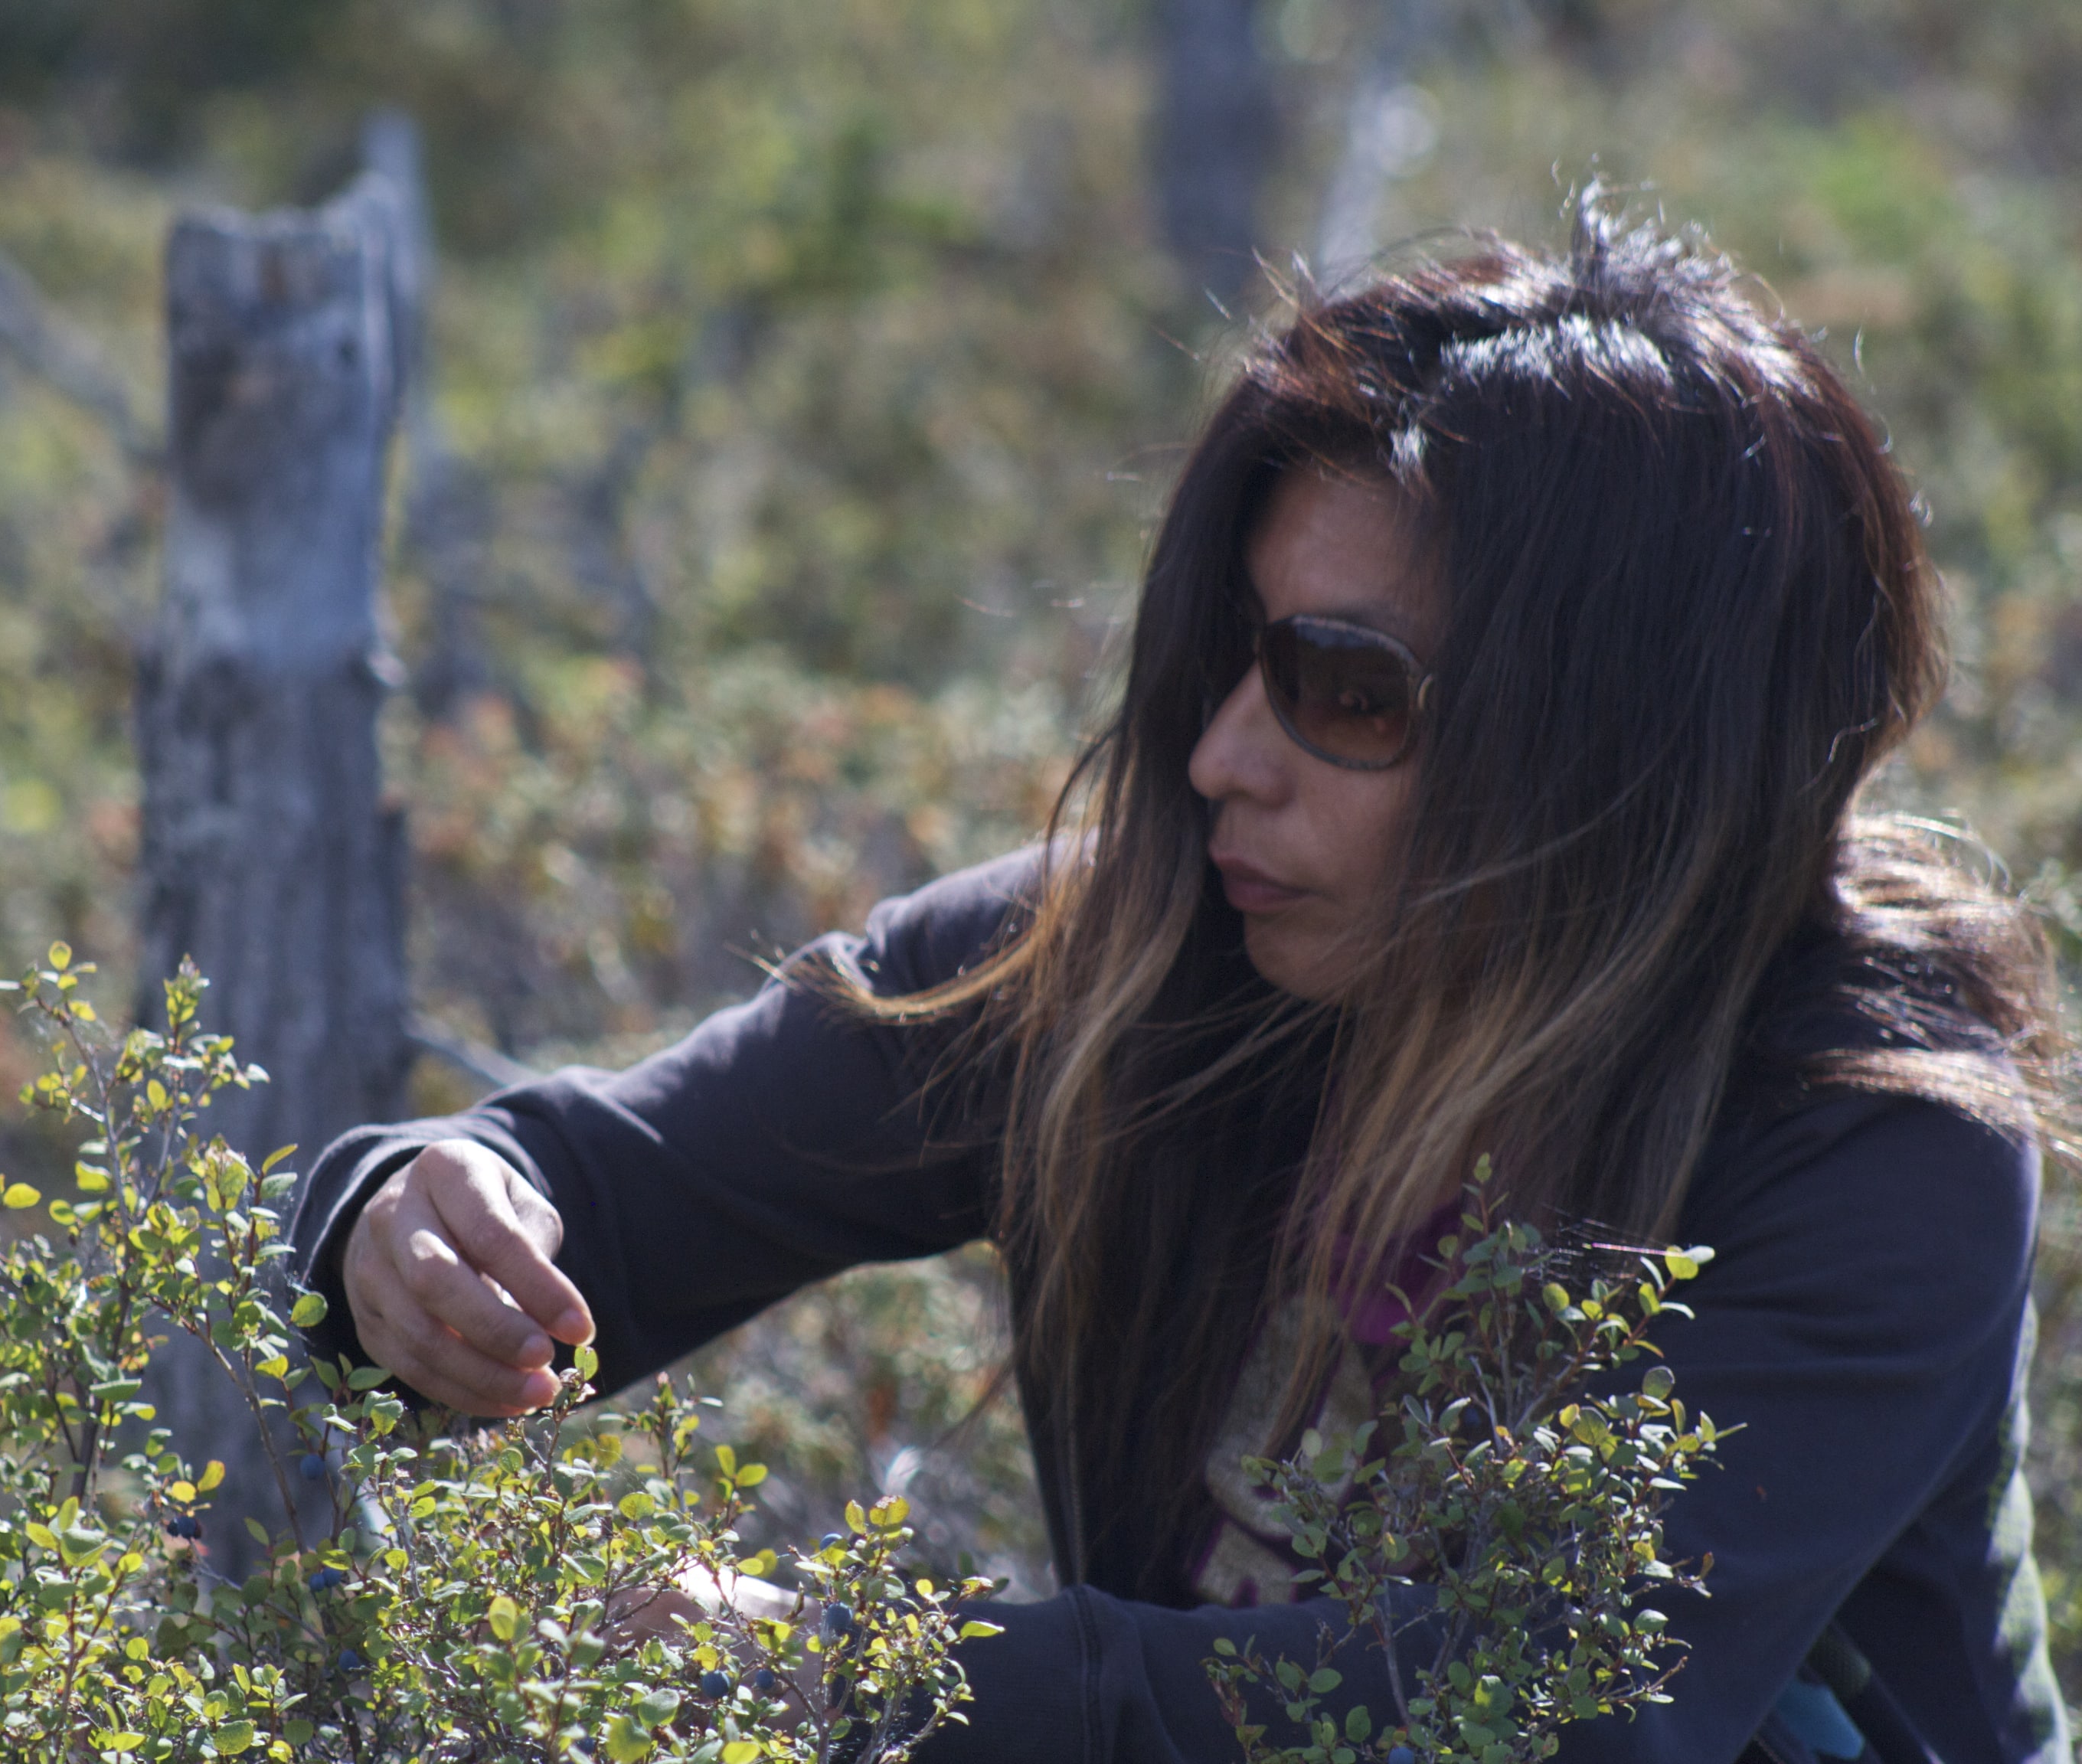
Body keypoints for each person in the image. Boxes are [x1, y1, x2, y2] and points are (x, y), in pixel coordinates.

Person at [285, 197, 2074, 1764]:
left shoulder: (1877, 1149)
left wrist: (855, 1674)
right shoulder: (1144, 959)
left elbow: (1545, 1719)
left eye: (1346, 689)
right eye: (1234, 654)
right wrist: (402, 1237)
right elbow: (611, 1189)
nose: (1222, 755)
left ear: (1613, 758)